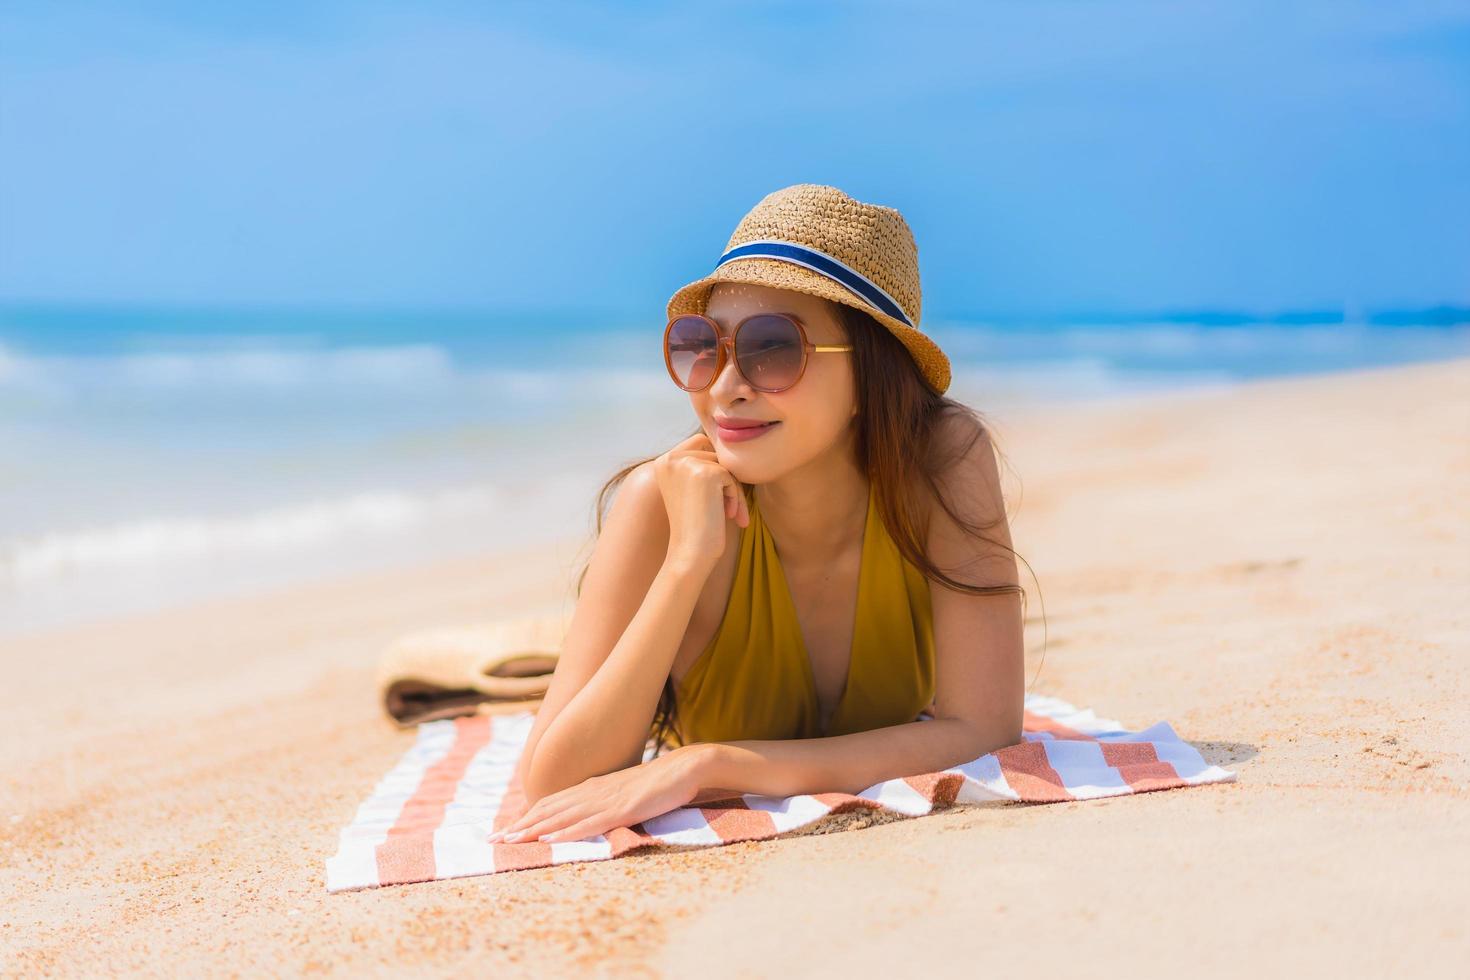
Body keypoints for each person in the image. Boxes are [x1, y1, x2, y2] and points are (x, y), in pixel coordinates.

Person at [489, 184, 1028, 846]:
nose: (723, 386)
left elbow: (987, 729)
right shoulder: (660, 503)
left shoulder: (939, 462)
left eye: (773, 348)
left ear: (871, 372)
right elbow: (555, 784)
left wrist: (710, 765)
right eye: (702, 346)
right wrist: (687, 562)